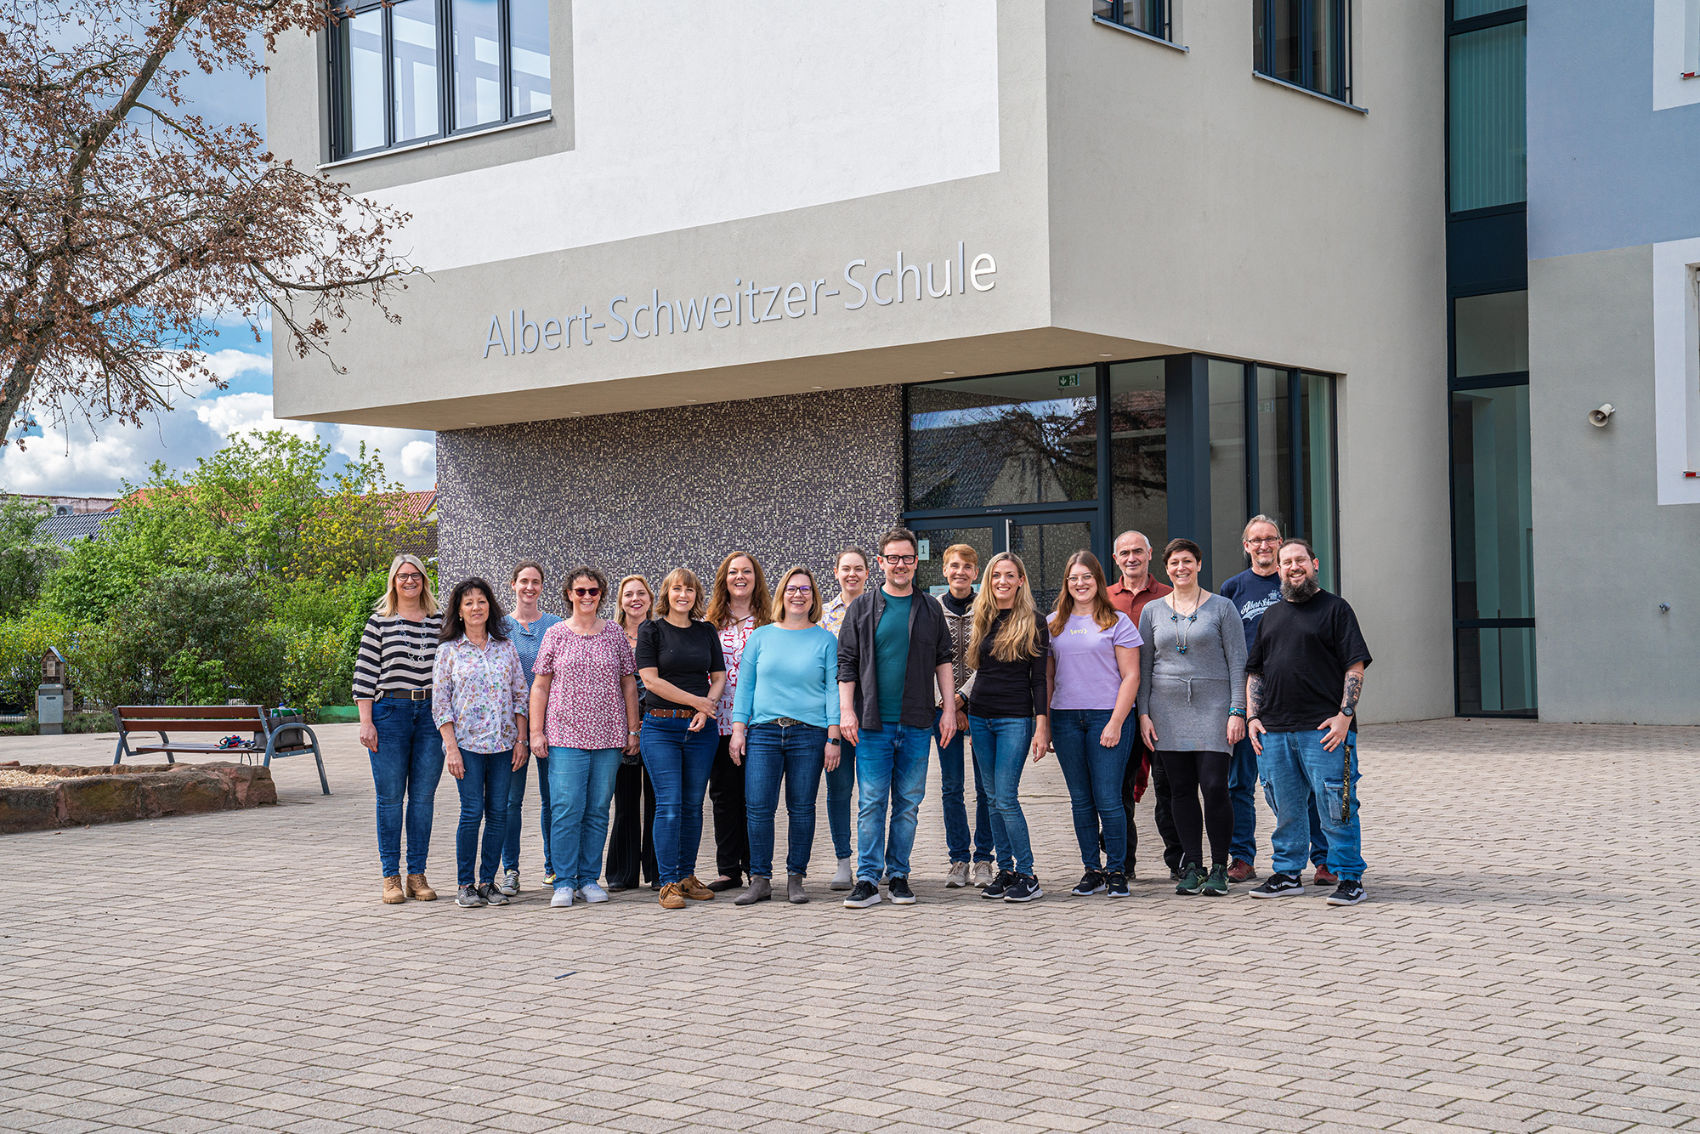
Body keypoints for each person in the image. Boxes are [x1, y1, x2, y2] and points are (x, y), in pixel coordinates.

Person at [1247, 539, 1373, 906]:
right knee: (1284, 808)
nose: (1293, 567)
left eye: (1299, 560)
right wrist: (1253, 716)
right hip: (1274, 731)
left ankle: (1349, 877)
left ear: (1314, 564)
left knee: (1338, 806)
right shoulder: (1271, 615)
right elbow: (1256, 671)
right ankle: (1287, 873)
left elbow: (1355, 665)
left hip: (1325, 732)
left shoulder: (1336, 609)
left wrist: (1345, 716)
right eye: (1286, 562)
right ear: (1279, 569)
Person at [836, 528, 955, 909]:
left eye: (906, 558)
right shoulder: (863, 607)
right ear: (882, 563)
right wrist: (846, 711)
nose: (900, 564)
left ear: (915, 563)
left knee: (907, 803)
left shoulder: (930, 607)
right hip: (873, 723)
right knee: (871, 801)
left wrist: (949, 709)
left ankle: (899, 874)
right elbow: (847, 664)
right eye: (892, 558)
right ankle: (868, 879)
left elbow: (943, 661)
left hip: (918, 722)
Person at [1218, 515, 1334, 886]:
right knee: (1240, 784)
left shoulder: (1297, 586)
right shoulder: (1232, 589)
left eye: (1271, 539)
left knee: (1310, 786)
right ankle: (1242, 858)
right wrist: (1239, 708)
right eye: (1256, 540)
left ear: (1281, 544)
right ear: (1246, 546)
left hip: (1297, 704)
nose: (1264, 546)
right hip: (1249, 702)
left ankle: (1323, 859)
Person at [1138, 539, 1248, 898]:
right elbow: (1144, 666)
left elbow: (1238, 663)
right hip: (1166, 711)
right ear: (1166, 568)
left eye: (1187, 561)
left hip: (1215, 708)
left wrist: (1237, 711)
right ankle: (1194, 867)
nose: (1180, 568)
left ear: (1199, 564)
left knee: (1215, 786)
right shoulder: (1152, 611)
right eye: (1174, 563)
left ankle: (1219, 866)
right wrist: (1143, 713)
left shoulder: (1222, 608)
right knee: (1180, 790)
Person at [728, 565, 841, 906]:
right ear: (781, 594)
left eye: (805, 590)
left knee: (802, 808)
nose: (798, 595)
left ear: (813, 597)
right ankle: (760, 879)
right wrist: (738, 730)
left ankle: (796, 878)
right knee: (759, 808)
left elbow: (832, 691)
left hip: (808, 734)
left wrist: (833, 736)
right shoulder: (761, 637)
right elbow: (744, 688)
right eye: (792, 589)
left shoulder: (825, 640)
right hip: (763, 733)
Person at [529, 567, 640, 909]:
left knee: (597, 810)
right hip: (564, 735)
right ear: (569, 594)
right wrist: (535, 731)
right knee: (565, 809)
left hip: (608, 736)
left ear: (601, 595)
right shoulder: (556, 634)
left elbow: (628, 683)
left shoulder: (615, 634)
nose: (587, 597)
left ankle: (589, 878)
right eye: (580, 591)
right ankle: (563, 880)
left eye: (593, 591)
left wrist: (633, 729)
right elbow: (541, 685)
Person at [1047, 551, 1141, 899]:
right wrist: (1045, 725)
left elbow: (1131, 676)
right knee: (1081, 801)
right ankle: (1092, 870)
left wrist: (1116, 722)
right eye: (1074, 578)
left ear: (1098, 581)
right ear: (1066, 583)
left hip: (1107, 717)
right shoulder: (1053, 622)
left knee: (1109, 799)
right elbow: (1048, 677)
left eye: (1087, 576)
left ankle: (1117, 870)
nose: (1080, 583)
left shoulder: (1117, 621)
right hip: (1066, 719)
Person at [433, 577, 530, 908]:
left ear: (490, 606)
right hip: (467, 746)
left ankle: (489, 882)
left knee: (499, 813)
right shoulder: (448, 651)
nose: (476, 607)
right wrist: (451, 747)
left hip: (503, 745)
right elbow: (441, 704)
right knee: (472, 811)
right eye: (469, 603)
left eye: (482, 601)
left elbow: (520, 695)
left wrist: (522, 739)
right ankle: (465, 884)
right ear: (459, 611)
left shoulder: (506, 648)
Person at [354, 554, 445, 905]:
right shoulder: (379, 623)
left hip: (431, 715)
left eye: (416, 575)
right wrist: (366, 722)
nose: (410, 581)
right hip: (389, 711)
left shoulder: (440, 621)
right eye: (403, 576)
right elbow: (363, 676)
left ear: (424, 580)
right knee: (390, 798)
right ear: (393, 582)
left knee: (422, 798)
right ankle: (390, 875)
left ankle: (417, 875)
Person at [635, 567, 727, 910]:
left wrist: (707, 708)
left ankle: (687, 877)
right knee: (670, 805)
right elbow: (651, 680)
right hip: (660, 728)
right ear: (667, 594)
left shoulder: (705, 631)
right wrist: (696, 701)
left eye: (689, 590)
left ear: (696, 596)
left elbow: (717, 676)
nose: (683, 595)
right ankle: (668, 882)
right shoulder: (652, 630)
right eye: (677, 589)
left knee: (692, 805)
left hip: (700, 729)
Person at [965, 552, 1050, 903]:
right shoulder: (982, 617)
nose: (1002, 581)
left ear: (1021, 580)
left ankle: (1029, 875)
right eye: (996, 575)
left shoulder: (1034, 620)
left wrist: (1042, 725)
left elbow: (1040, 680)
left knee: (1006, 797)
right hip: (979, 717)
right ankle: (1006, 870)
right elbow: (978, 671)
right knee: (990, 798)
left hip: (1014, 719)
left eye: (1009, 575)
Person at [1106, 529, 1180, 880]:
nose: (1132, 557)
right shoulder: (1102, 599)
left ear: (1150, 554)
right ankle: (1124, 864)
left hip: (1163, 709)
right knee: (1120, 789)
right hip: (1119, 709)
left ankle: (1179, 861)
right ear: (1115, 558)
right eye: (1125, 552)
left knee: (1169, 788)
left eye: (1138, 551)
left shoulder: (1170, 596)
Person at [704, 552, 771, 892]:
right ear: (724, 579)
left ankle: (756, 867)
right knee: (723, 795)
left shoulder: (770, 620)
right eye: (733, 572)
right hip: (719, 722)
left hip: (759, 721)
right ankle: (729, 869)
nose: (740, 577)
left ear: (756, 578)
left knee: (755, 797)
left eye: (747, 571)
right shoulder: (710, 621)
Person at [497, 561, 561, 897]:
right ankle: (511, 870)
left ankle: (553, 869)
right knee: (510, 802)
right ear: (513, 585)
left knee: (553, 800)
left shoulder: (555, 626)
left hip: (553, 725)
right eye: (524, 581)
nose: (529, 587)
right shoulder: (499, 627)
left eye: (535, 582)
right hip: (511, 727)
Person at [936, 544, 995, 889]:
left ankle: (984, 858)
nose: (960, 571)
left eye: (967, 567)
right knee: (951, 786)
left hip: (982, 707)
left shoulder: (986, 608)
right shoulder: (931, 608)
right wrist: (947, 705)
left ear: (976, 572)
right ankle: (958, 858)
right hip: (940, 712)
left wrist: (962, 699)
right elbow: (927, 659)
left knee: (985, 787)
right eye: (954, 566)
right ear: (944, 570)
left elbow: (988, 659)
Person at [819, 546, 869, 890]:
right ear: (835, 572)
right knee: (839, 791)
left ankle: (870, 860)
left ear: (868, 573)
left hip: (873, 715)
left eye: (858, 569)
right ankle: (843, 861)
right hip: (834, 717)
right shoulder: (821, 616)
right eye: (846, 568)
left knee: (873, 793)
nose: (852, 574)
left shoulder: (879, 608)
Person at [605, 575, 660, 891]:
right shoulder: (610, 635)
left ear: (650, 599)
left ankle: (656, 872)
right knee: (625, 803)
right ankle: (622, 875)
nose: (635, 599)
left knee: (655, 801)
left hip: (656, 729)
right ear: (620, 601)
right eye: (629, 594)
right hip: (620, 732)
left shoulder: (659, 633)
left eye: (641, 593)